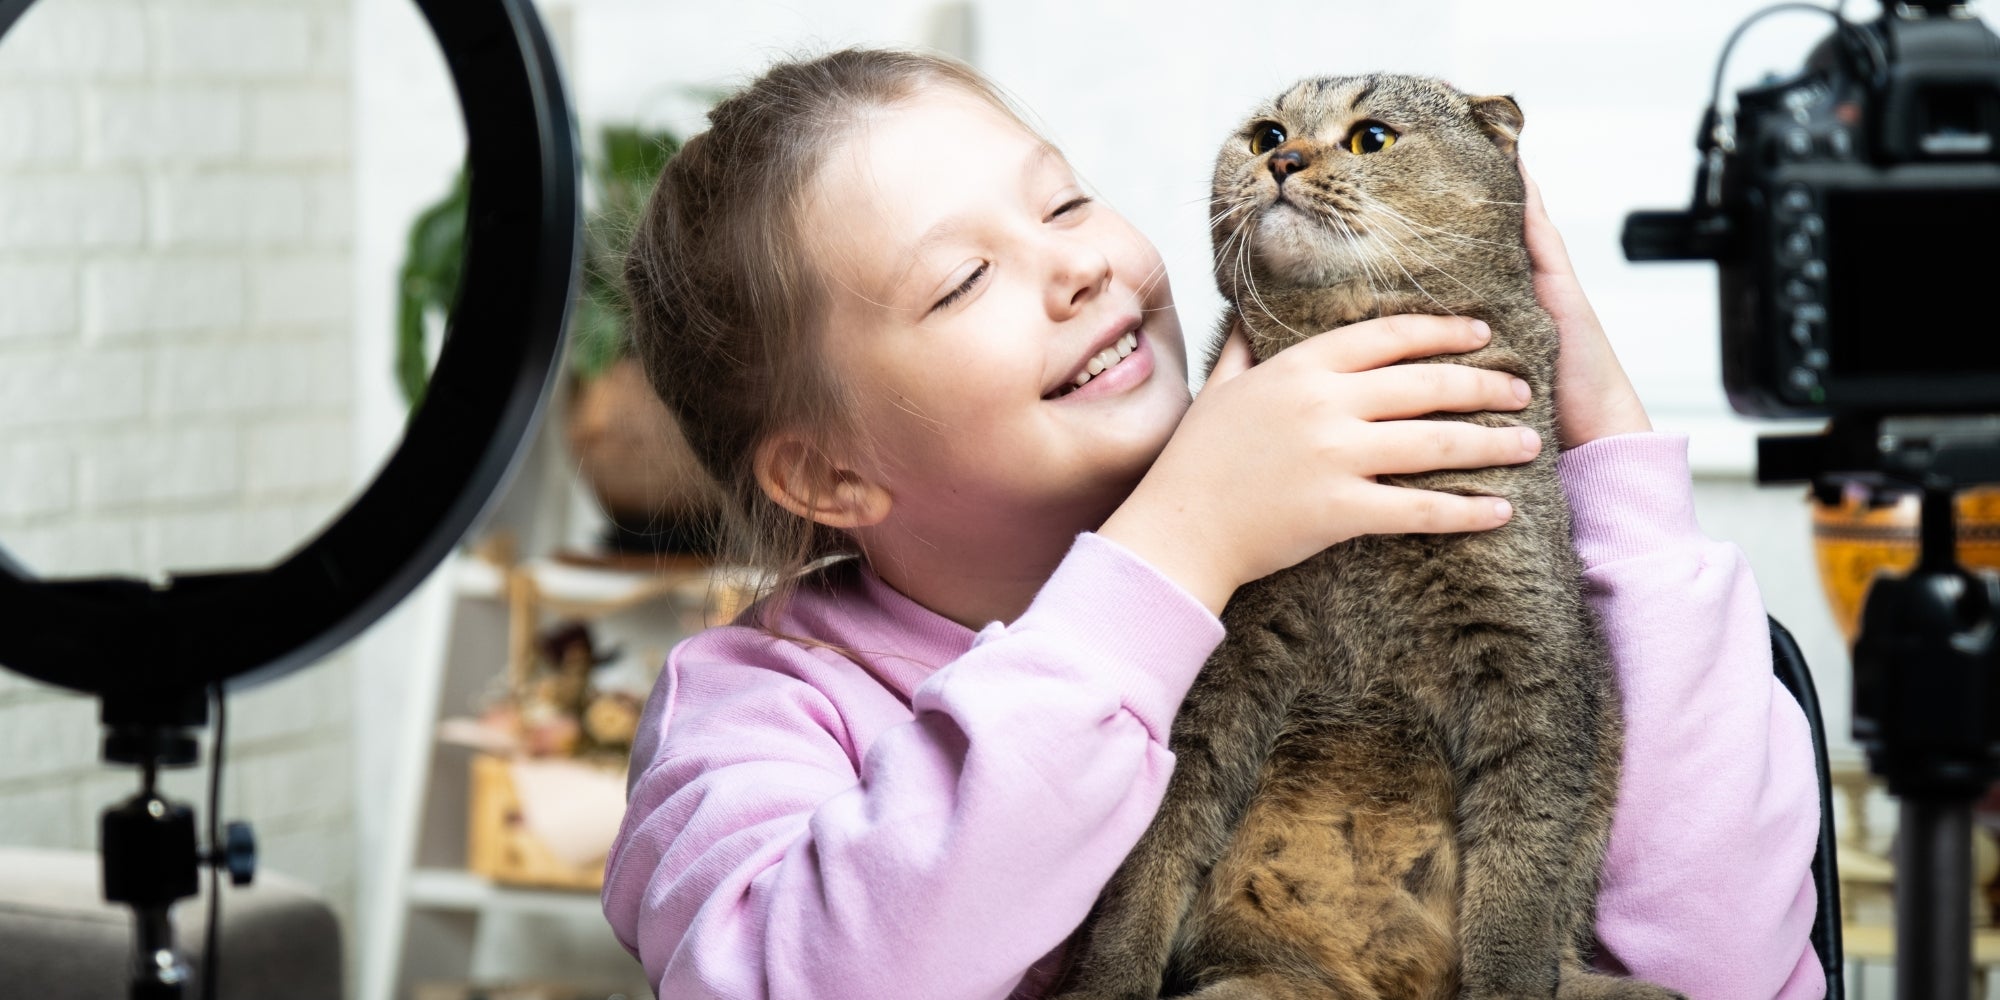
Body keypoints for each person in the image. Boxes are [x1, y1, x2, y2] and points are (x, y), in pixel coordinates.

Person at [599, 47, 1823, 1000]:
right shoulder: (755, 710)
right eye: (963, 279)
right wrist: (1170, 554)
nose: (1071, 269)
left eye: (1066, 204)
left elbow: (1729, 966)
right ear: (825, 475)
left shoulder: (1368, 565)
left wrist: (1606, 450)